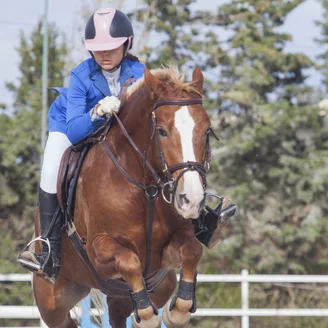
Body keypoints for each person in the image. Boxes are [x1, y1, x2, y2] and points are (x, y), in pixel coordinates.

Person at [18, 7, 233, 283]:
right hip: (72, 126)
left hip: (115, 134)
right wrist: (96, 112)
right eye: (98, 49)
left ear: (127, 44)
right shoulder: (81, 76)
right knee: (50, 171)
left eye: (112, 47)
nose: (104, 54)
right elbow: (74, 130)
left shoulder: (137, 71)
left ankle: (200, 222)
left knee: (168, 153)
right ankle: (47, 248)